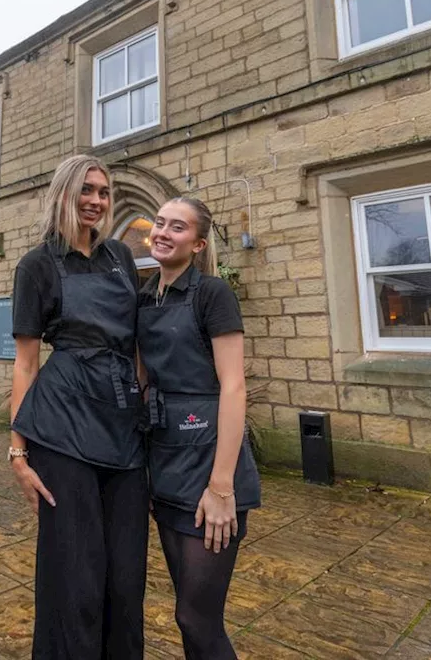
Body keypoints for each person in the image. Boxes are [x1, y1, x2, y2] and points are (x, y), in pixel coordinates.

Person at [8, 154, 148, 659]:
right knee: (74, 576)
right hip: (62, 427)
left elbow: (135, 346)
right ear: (65, 193)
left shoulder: (121, 257)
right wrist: (17, 452)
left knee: (126, 578)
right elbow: (25, 363)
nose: (96, 200)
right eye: (86, 190)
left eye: (104, 192)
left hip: (122, 425)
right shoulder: (38, 265)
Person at [137, 197, 261, 660]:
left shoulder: (212, 294)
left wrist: (222, 487)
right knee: (185, 616)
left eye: (178, 228)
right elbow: (142, 379)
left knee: (197, 617)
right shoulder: (145, 296)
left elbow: (233, 387)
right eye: (160, 224)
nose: (164, 233)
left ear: (198, 243)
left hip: (211, 463)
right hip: (165, 461)